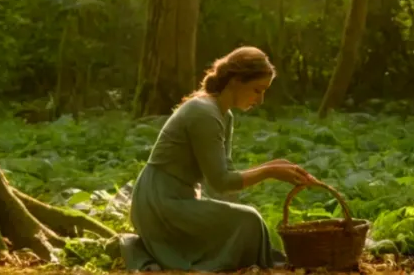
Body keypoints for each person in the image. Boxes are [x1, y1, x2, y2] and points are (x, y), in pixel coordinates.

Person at [118, 46, 319, 272]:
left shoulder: (224, 115)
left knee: (246, 220)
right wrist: (269, 172)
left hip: (182, 198)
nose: (260, 99)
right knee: (249, 220)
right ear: (235, 81)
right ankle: (140, 247)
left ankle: (150, 247)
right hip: (160, 202)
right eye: (257, 90)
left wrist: (273, 165)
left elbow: (226, 175)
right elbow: (220, 182)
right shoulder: (203, 112)